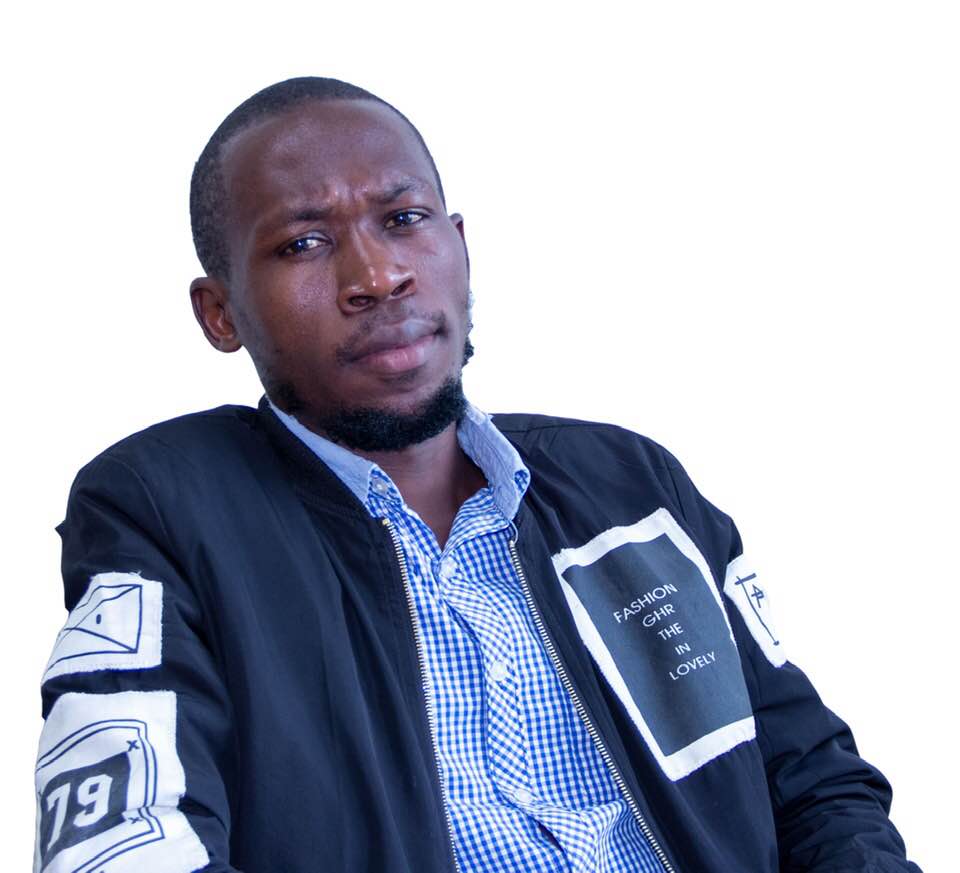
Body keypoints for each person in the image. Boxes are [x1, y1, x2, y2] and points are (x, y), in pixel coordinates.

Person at [35, 77, 920, 873]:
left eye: (403, 220)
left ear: (459, 247)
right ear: (220, 313)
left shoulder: (633, 489)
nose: (378, 275)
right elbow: (121, 847)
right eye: (304, 242)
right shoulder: (167, 509)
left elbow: (812, 780)